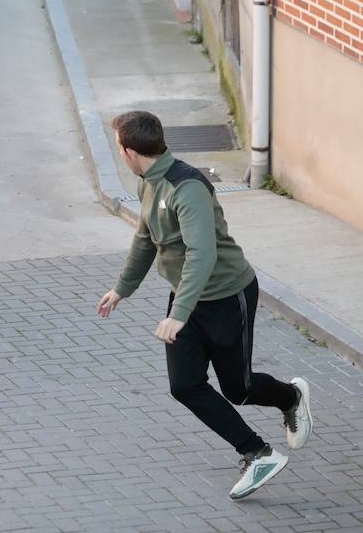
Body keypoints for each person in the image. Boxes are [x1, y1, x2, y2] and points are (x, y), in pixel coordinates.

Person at [98, 110, 313, 501]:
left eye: (117, 147)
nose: (118, 152)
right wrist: (122, 289)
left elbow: (203, 254)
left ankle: (290, 397)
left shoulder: (187, 188)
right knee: (185, 385)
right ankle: (256, 452)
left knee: (239, 388)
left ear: (129, 151)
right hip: (188, 295)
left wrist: (177, 315)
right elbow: (146, 239)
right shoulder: (150, 182)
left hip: (228, 295)